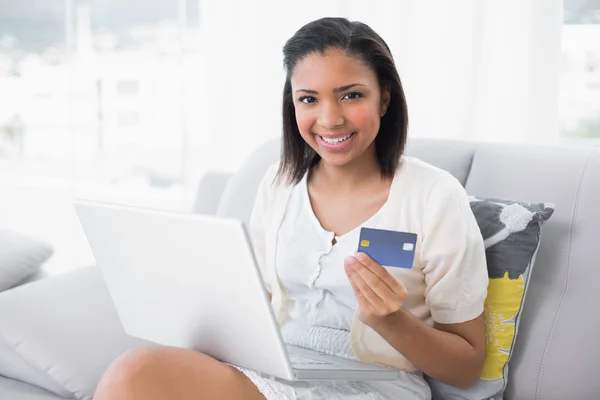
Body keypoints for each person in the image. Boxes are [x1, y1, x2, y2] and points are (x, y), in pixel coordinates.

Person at [94, 17, 488, 400]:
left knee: (136, 373)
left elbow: (467, 367)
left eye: (351, 94)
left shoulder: (435, 197)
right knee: (138, 373)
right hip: (278, 367)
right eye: (309, 99)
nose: (330, 119)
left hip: (379, 384)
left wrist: (392, 321)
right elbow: (259, 306)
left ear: (384, 97)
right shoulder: (280, 184)